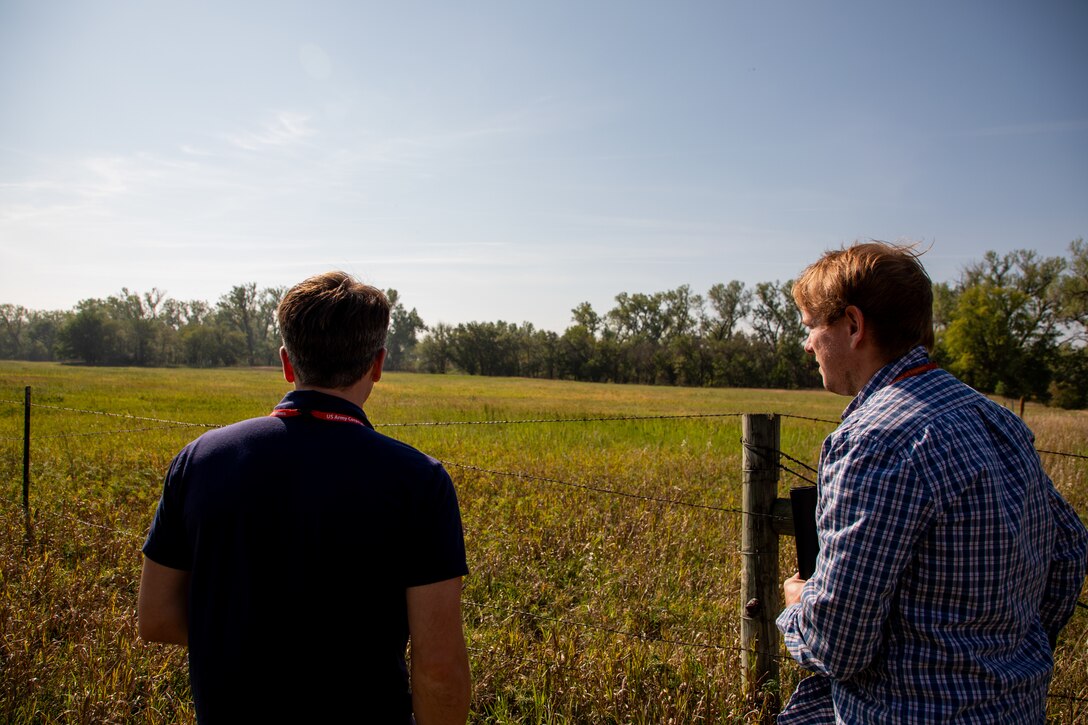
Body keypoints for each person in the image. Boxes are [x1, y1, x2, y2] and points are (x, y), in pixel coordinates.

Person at [138, 271, 471, 724]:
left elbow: (156, 618)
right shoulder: (417, 481)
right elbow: (437, 669)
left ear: (287, 363)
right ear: (377, 364)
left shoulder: (199, 460)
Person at [776, 241, 1088, 723]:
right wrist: (1002, 660)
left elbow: (838, 644)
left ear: (854, 326)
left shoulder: (873, 439)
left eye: (812, 327)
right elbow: (1069, 550)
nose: (807, 344)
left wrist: (798, 604)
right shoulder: (994, 418)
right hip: (1017, 708)